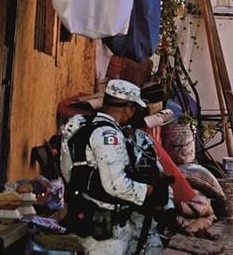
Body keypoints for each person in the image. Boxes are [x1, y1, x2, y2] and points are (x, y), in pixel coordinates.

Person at [60, 79, 170, 255]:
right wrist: (149, 191)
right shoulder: (109, 135)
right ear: (129, 107)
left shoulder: (81, 123)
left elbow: (67, 171)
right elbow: (115, 185)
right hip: (106, 230)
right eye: (134, 108)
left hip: (87, 214)